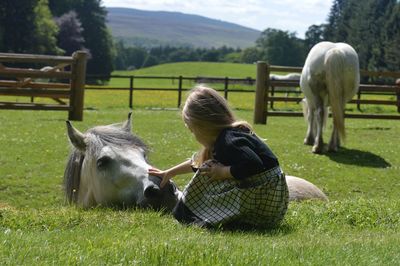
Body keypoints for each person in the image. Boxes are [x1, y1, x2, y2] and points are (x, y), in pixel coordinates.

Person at [149, 85, 289, 229]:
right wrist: (169, 173)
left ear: (202, 126)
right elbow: (196, 163)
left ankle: (195, 214)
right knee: (208, 168)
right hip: (272, 203)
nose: (194, 136)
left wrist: (222, 172)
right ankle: (208, 214)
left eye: (192, 130)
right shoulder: (229, 135)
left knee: (207, 174)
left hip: (264, 201)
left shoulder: (229, 141)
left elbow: (253, 164)